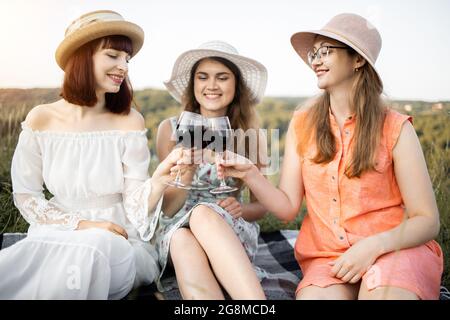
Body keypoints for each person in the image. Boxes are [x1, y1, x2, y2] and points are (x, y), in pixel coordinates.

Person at [217, 13, 443, 300]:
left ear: (358, 60)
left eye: (326, 51)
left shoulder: (396, 128)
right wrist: (250, 173)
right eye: (314, 53)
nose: (315, 60)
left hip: (396, 249)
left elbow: (427, 220)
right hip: (328, 258)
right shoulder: (302, 123)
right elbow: (287, 208)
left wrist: (372, 247)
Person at [0, 10, 181, 299]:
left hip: (119, 238)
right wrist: (81, 225)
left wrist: (159, 180)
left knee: (91, 248)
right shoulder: (41, 118)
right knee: (26, 261)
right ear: (82, 57)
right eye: (113, 56)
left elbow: (134, 206)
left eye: (127, 59)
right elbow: (26, 196)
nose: (123, 66)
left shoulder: (129, 120)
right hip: (57, 230)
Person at [154, 41, 268, 299]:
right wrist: (186, 173)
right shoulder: (169, 130)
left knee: (204, 215)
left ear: (236, 85)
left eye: (222, 77)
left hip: (229, 228)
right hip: (177, 227)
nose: (212, 85)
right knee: (183, 239)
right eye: (203, 77)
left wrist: (242, 209)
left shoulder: (251, 135)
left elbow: (261, 206)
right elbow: (167, 209)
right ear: (193, 84)